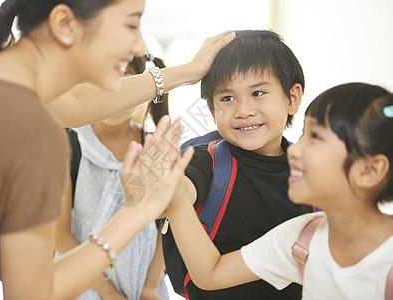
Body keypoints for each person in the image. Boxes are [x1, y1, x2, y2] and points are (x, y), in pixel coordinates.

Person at [0, 0, 234, 298]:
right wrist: (139, 211)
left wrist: (187, 72)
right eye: (131, 24)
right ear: (65, 24)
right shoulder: (33, 128)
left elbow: (82, 104)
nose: (140, 44)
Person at [165, 82, 393, 299]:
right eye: (303, 134)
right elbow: (211, 274)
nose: (294, 151)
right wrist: (176, 199)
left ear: (369, 170)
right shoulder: (302, 238)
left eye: (315, 137)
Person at [162, 30, 314, 299]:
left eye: (257, 93)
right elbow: (179, 187)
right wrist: (165, 185)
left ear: (292, 98)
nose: (243, 110)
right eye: (227, 98)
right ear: (212, 111)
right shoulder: (207, 159)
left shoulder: (313, 172)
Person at [56, 55, 170, 300]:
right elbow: (59, 235)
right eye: (101, 84)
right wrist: (109, 293)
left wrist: (149, 286)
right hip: (82, 288)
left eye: (124, 84)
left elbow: (165, 227)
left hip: (143, 287)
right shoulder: (69, 142)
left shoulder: (152, 145)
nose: (112, 95)